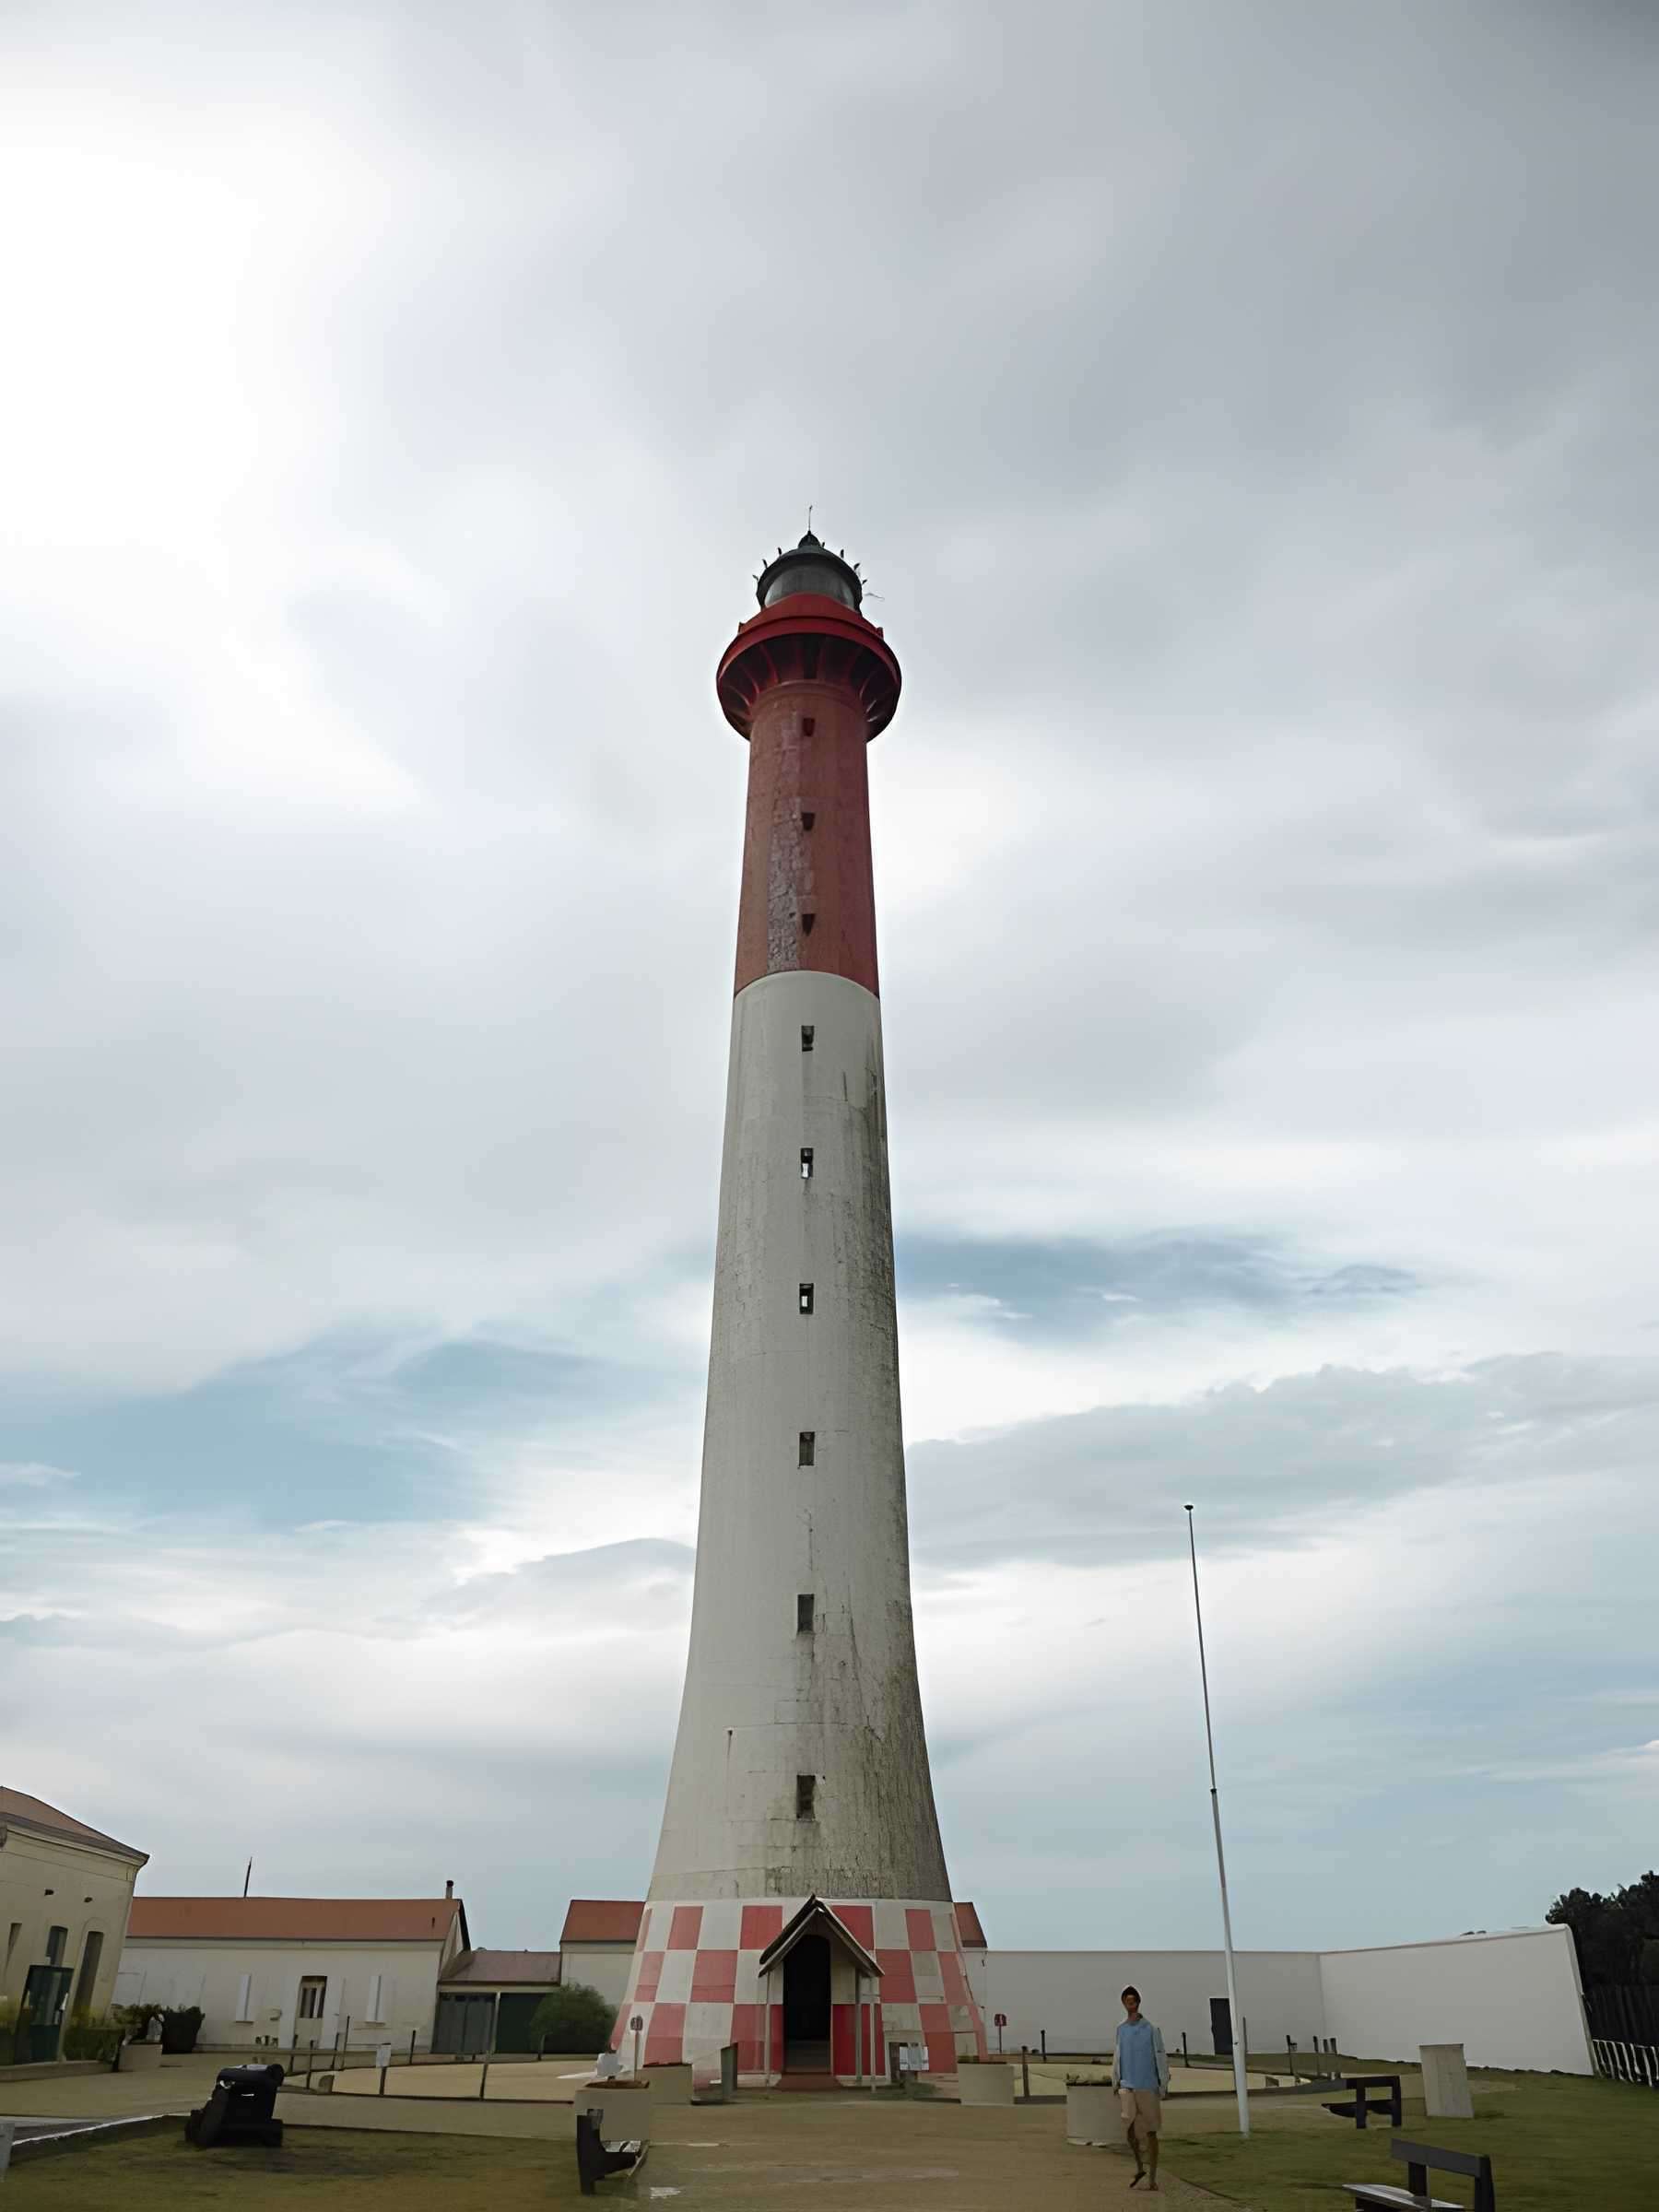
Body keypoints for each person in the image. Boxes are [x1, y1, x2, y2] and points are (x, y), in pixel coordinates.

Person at [1113, 1985, 1169, 2191]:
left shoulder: (1151, 2029)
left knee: (1151, 2132)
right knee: (1128, 2131)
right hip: (1127, 2085)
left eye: (1133, 2000)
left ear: (1138, 2002)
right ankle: (1139, 2167)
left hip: (1148, 2087)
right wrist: (1116, 2080)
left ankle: (1152, 2178)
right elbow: (1118, 2056)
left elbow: (1161, 2057)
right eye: (1127, 2000)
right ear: (1123, 2003)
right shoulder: (1121, 2029)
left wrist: (1163, 2084)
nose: (1131, 2003)